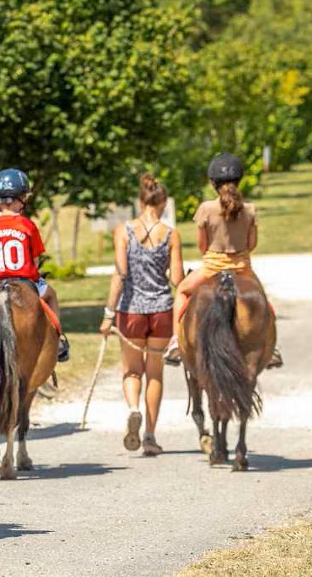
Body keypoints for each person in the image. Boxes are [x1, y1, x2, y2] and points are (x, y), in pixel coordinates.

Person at [164, 153, 283, 369]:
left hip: (211, 267)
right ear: (240, 180)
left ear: (212, 183)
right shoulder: (249, 209)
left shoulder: (205, 209)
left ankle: (174, 341)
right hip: (242, 268)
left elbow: (202, 245)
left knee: (181, 291)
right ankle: (271, 346)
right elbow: (252, 243)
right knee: (263, 301)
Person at [99, 174, 184, 456]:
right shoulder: (171, 235)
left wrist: (109, 314)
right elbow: (177, 277)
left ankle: (133, 408)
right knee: (155, 374)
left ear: (140, 201)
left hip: (131, 310)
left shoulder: (124, 231)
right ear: (163, 202)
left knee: (132, 371)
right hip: (161, 310)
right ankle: (149, 435)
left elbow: (121, 274)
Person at [0, 168, 71, 363]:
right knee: (52, 295)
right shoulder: (28, 225)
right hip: (24, 280)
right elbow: (35, 261)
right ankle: (59, 338)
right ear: (21, 198)